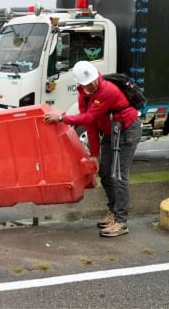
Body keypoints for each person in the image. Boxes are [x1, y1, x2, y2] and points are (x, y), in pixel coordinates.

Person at [45, 61, 140, 237]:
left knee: (119, 176)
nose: (92, 85)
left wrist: (61, 118)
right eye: (87, 83)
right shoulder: (83, 96)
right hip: (111, 132)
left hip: (126, 131)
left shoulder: (107, 90)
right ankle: (113, 212)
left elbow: (88, 117)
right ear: (80, 84)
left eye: (93, 81)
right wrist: (95, 154)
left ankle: (121, 221)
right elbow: (91, 126)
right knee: (105, 173)